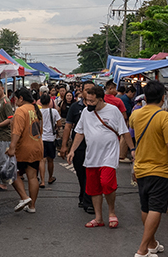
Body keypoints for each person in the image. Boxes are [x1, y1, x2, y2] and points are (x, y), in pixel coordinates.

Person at [129, 81, 168, 257]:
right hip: (161, 169)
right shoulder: (165, 117)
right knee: (156, 208)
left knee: (146, 206)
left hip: (141, 168)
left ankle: (152, 242)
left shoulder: (135, 115)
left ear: (145, 98)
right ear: (163, 98)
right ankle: (142, 248)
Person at [67, 85, 133, 229]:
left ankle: (111, 212)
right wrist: (72, 150)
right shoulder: (85, 112)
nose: (88, 104)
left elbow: (124, 132)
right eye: (86, 101)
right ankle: (98, 218)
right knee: (94, 188)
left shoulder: (113, 111)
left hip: (109, 154)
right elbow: (80, 132)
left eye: (91, 101)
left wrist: (132, 149)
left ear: (100, 99)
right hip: (92, 156)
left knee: (107, 183)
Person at [60, 81, 96, 214]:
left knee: (90, 174)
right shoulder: (75, 107)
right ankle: (83, 194)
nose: (89, 93)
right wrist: (64, 146)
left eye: (92, 90)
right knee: (81, 174)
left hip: (95, 147)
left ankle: (89, 201)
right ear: (82, 91)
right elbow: (68, 126)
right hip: (79, 146)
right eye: (87, 90)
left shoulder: (100, 107)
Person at [7, 87, 44, 213]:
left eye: (16, 98)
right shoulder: (36, 109)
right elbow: (40, 131)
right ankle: (32, 206)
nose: (15, 101)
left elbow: (16, 131)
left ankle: (24, 197)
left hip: (23, 148)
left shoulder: (20, 111)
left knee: (12, 173)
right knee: (33, 177)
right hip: (36, 146)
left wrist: (12, 147)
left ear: (21, 98)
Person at [0, 80, 14, 190]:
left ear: (2, 89)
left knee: (3, 161)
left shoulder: (6, 102)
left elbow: (10, 119)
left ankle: (3, 183)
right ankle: (1, 180)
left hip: (4, 136)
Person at [39, 93, 60, 188]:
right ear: (50, 101)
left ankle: (42, 181)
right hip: (51, 138)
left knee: (42, 160)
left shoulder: (38, 112)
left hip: (41, 138)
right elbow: (59, 124)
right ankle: (50, 177)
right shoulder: (54, 112)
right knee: (50, 160)